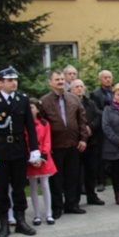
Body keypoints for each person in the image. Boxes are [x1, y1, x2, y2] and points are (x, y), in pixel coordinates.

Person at [0, 66, 41, 237]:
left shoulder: (22, 100)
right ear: (2, 83)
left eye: (15, 80)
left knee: (19, 187)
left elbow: (30, 127)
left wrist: (34, 148)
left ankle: (20, 220)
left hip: (19, 150)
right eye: (10, 80)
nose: (14, 83)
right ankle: (4, 223)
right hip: (1, 151)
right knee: (2, 188)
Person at [40, 69, 89, 219]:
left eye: (62, 79)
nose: (61, 82)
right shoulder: (44, 101)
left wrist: (83, 139)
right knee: (56, 179)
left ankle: (72, 204)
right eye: (57, 80)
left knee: (73, 176)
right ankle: (57, 207)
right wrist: (46, 147)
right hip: (55, 146)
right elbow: (42, 125)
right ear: (50, 82)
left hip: (74, 144)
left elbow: (82, 121)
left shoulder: (74, 99)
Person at [70, 79, 105, 206]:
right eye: (76, 87)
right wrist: (83, 130)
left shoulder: (90, 103)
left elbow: (98, 116)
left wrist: (90, 127)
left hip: (92, 141)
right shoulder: (69, 103)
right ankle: (75, 199)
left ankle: (92, 195)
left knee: (92, 170)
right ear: (71, 90)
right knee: (77, 173)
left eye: (81, 86)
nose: (79, 89)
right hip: (77, 142)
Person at [27, 97, 57, 226]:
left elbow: (47, 140)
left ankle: (49, 213)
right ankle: (37, 214)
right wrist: (31, 158)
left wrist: (42, 156)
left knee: (45, 185)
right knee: (33, 186)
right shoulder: (24, 125)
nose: (30, 110)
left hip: (43, 158)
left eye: (32, 107)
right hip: (31, 159)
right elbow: (25, 141)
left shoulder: (44, 123)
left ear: (37, 110)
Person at [90, 69, 113, 192]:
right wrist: (108, 114)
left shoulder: (116, 91)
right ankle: (101, 181)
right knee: (101, 156)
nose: (108, 79)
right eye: (105, 77)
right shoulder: (95, 93)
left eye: (109, 77)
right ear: (100, 80)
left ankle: (116, 179)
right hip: (102, 128)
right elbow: (95, 110)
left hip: (116, 127)